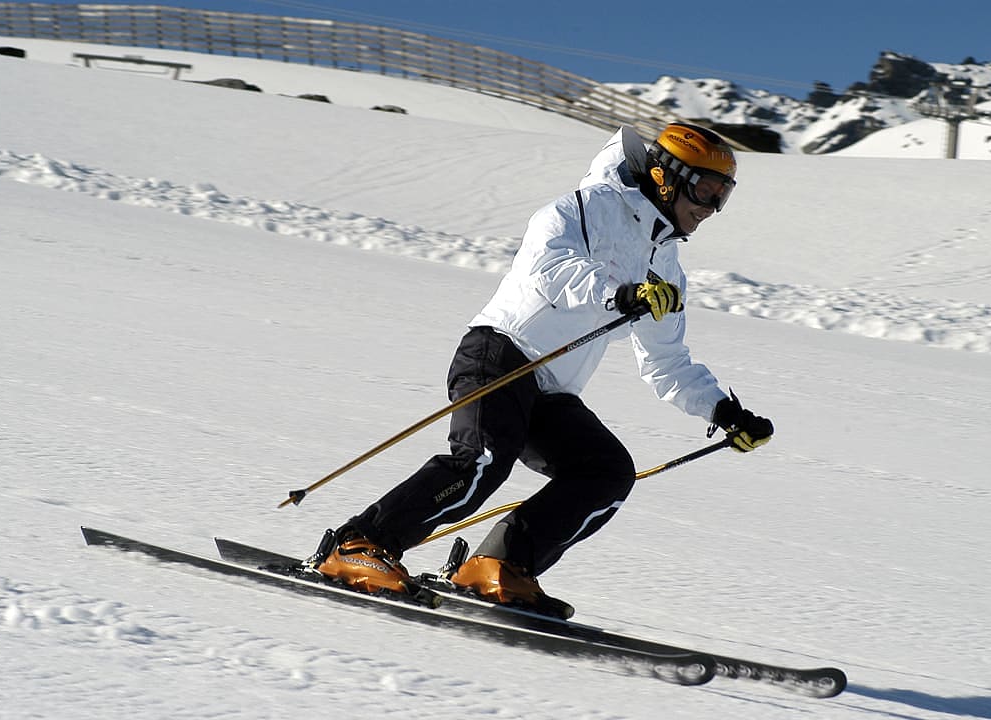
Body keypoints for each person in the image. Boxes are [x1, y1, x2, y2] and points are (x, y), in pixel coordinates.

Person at [316, 123, 774, 617]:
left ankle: (497, 566)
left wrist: (725, 411)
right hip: (500, 355)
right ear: (667, 176)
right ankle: (359, 546)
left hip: (551, 389)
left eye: (722, 195)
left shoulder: (665, 266)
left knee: (605, 471)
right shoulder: (586, 207)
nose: (711, 206)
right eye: (705, 189)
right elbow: (549, 266)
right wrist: (617, 293)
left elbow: (666, 361)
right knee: (484, 459)